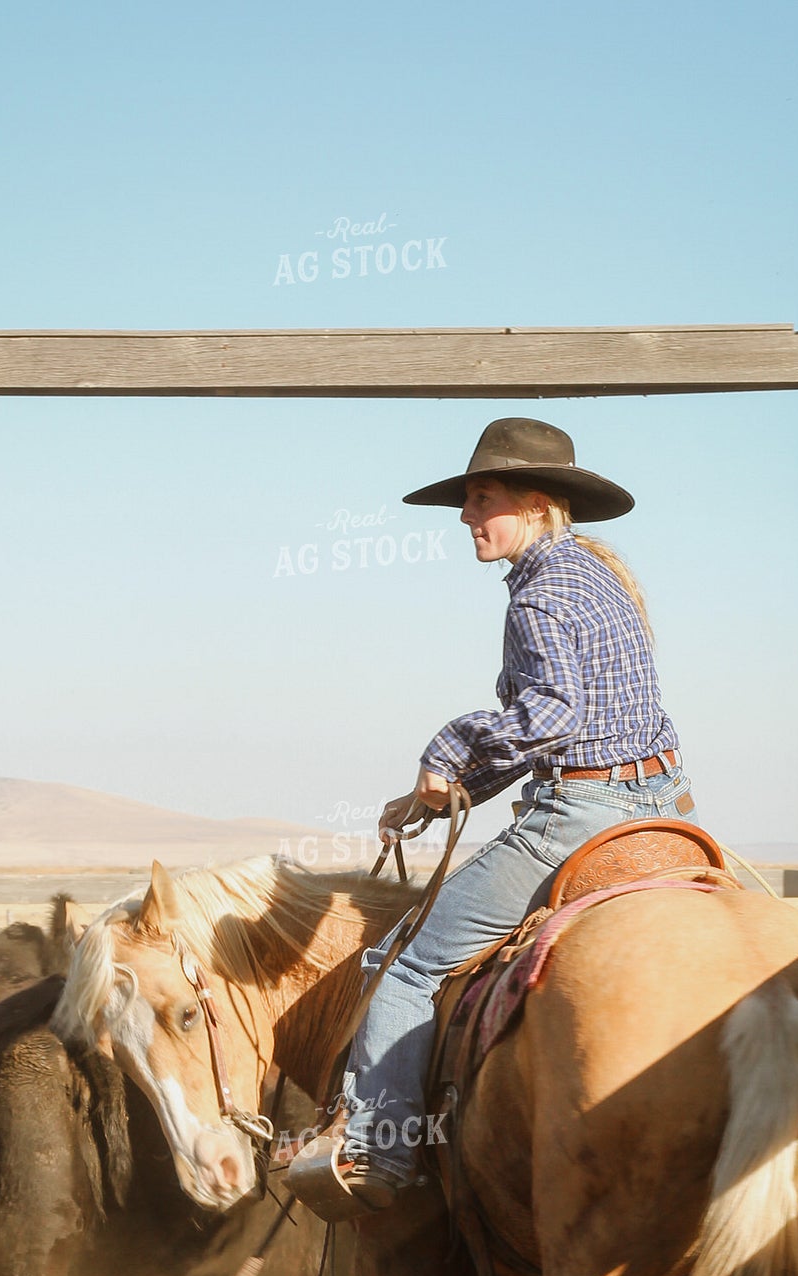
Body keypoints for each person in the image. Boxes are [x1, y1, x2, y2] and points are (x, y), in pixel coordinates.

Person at [287, 416, 694, 1216]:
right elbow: (561, 728)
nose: (468, 518)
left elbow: (551, 717)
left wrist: (447, 747)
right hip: (662, 803)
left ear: (536, 504)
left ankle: (378, 1151)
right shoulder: (599, 576)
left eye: (484, 500)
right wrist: (442, 795)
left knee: (405, 963)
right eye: (466, 504)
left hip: (583, 810)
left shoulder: (538, 600)